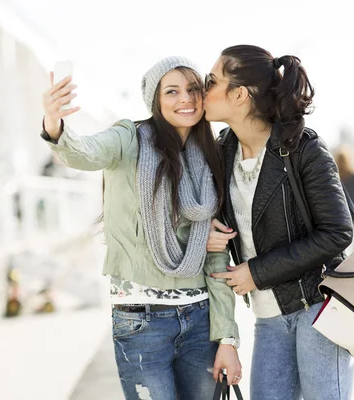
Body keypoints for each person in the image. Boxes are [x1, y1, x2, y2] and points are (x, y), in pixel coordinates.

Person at [39, 56, 241, 399]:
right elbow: (84, 153)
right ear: (155, 100)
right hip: (141, 321)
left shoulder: (208, 155)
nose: (185, 99)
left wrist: (228, 338)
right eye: (172, 91)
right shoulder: (127, 138)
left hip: (200, 319)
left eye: (193, 90)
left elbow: (217, 255)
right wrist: (54, 123)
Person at [203, 45, 354, 400]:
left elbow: (337, 232)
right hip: (267, 317)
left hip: (318, 309)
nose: (202, 88)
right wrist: (206, 228)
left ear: (239, 94)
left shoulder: (303, 147)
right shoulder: (221, 151)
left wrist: (257, 272)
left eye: (212, 81)